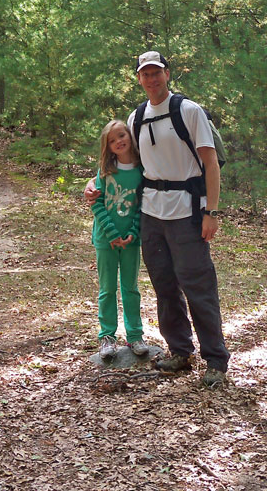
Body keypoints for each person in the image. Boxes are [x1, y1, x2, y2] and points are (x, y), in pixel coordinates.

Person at [85, 51, 229, 387]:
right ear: (139, 78)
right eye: (145, 74)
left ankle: (216, 360)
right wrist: (93, 183)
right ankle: (180, 351)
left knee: (198, 286)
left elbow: (210, 164)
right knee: (165, 287)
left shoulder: (188, 111)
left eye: (156, 73)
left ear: (167, 74)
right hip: (151, 214)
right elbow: (119, 160)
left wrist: (211, 212)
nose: (151, 79)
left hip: (187, 212)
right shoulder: (136, 119)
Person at [91, 119, 148, 359]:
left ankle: (135, 336)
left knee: (130, 288)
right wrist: (112, 234)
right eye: (112, 140)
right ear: (108, 146)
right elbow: (96, 203)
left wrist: (133, 232)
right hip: (106, 240)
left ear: (130, 136)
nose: (119, 142)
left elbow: (142, 206)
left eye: (122, 135)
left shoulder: (141, 170)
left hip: (131, 241)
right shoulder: (105, 170)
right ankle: (107, 337)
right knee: (107, 288)